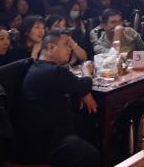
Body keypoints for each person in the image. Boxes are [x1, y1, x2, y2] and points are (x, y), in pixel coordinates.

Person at [14, 30, 99, 166]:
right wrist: (86, 71)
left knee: (85, 122)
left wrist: (83, 92)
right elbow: (84, 85)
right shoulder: (55, 71)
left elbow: (78, 87)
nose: (70, 49)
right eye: (66, 44)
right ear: (51, 47)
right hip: (44, 140)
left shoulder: (37, 66)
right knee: (92, 155)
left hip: (37, 131)